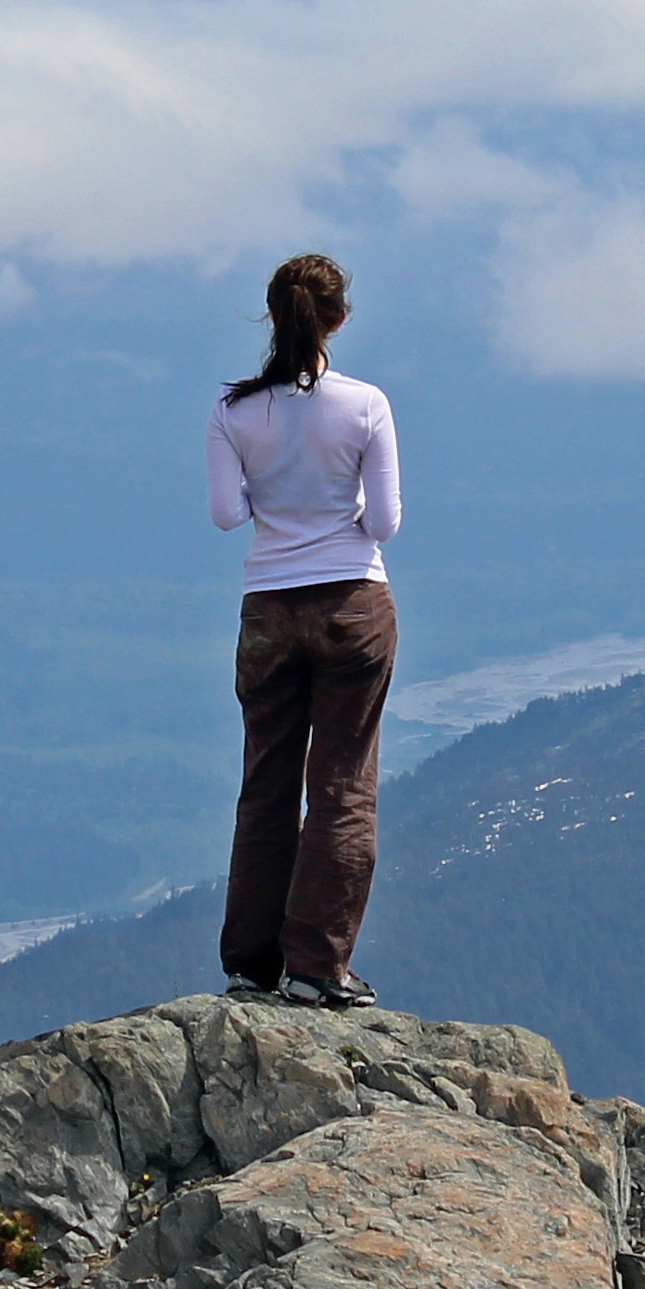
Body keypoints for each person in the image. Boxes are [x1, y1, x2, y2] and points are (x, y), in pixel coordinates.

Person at [205, 251, 402, 1009]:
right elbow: (385, 520)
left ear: (272, 314)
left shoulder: (232, 410)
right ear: (338, 320)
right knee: (342, 786)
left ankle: (250, 963)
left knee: (267, 786)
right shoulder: (365, 405)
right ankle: (319, 966)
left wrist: (276, 504)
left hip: (268, 608)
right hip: (354, 601)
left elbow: (227, 514)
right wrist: (335, 521)